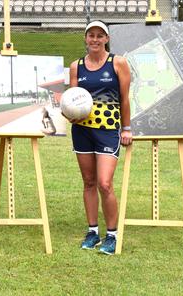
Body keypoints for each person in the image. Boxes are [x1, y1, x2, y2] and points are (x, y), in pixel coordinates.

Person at [67, 20, 132, 255]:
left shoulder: (118, 63)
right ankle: (92, 231)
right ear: (85, 38)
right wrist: (70, 115)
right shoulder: (77, 66)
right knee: (88, 181)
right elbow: (73, 98)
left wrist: (126, 128)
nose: (95, 39)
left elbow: (124, 99)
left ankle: (112, 234)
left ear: (106, 39)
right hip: (82, 130)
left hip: (108, 129)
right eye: (91, 35)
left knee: (105, 183)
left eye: (99, 35)